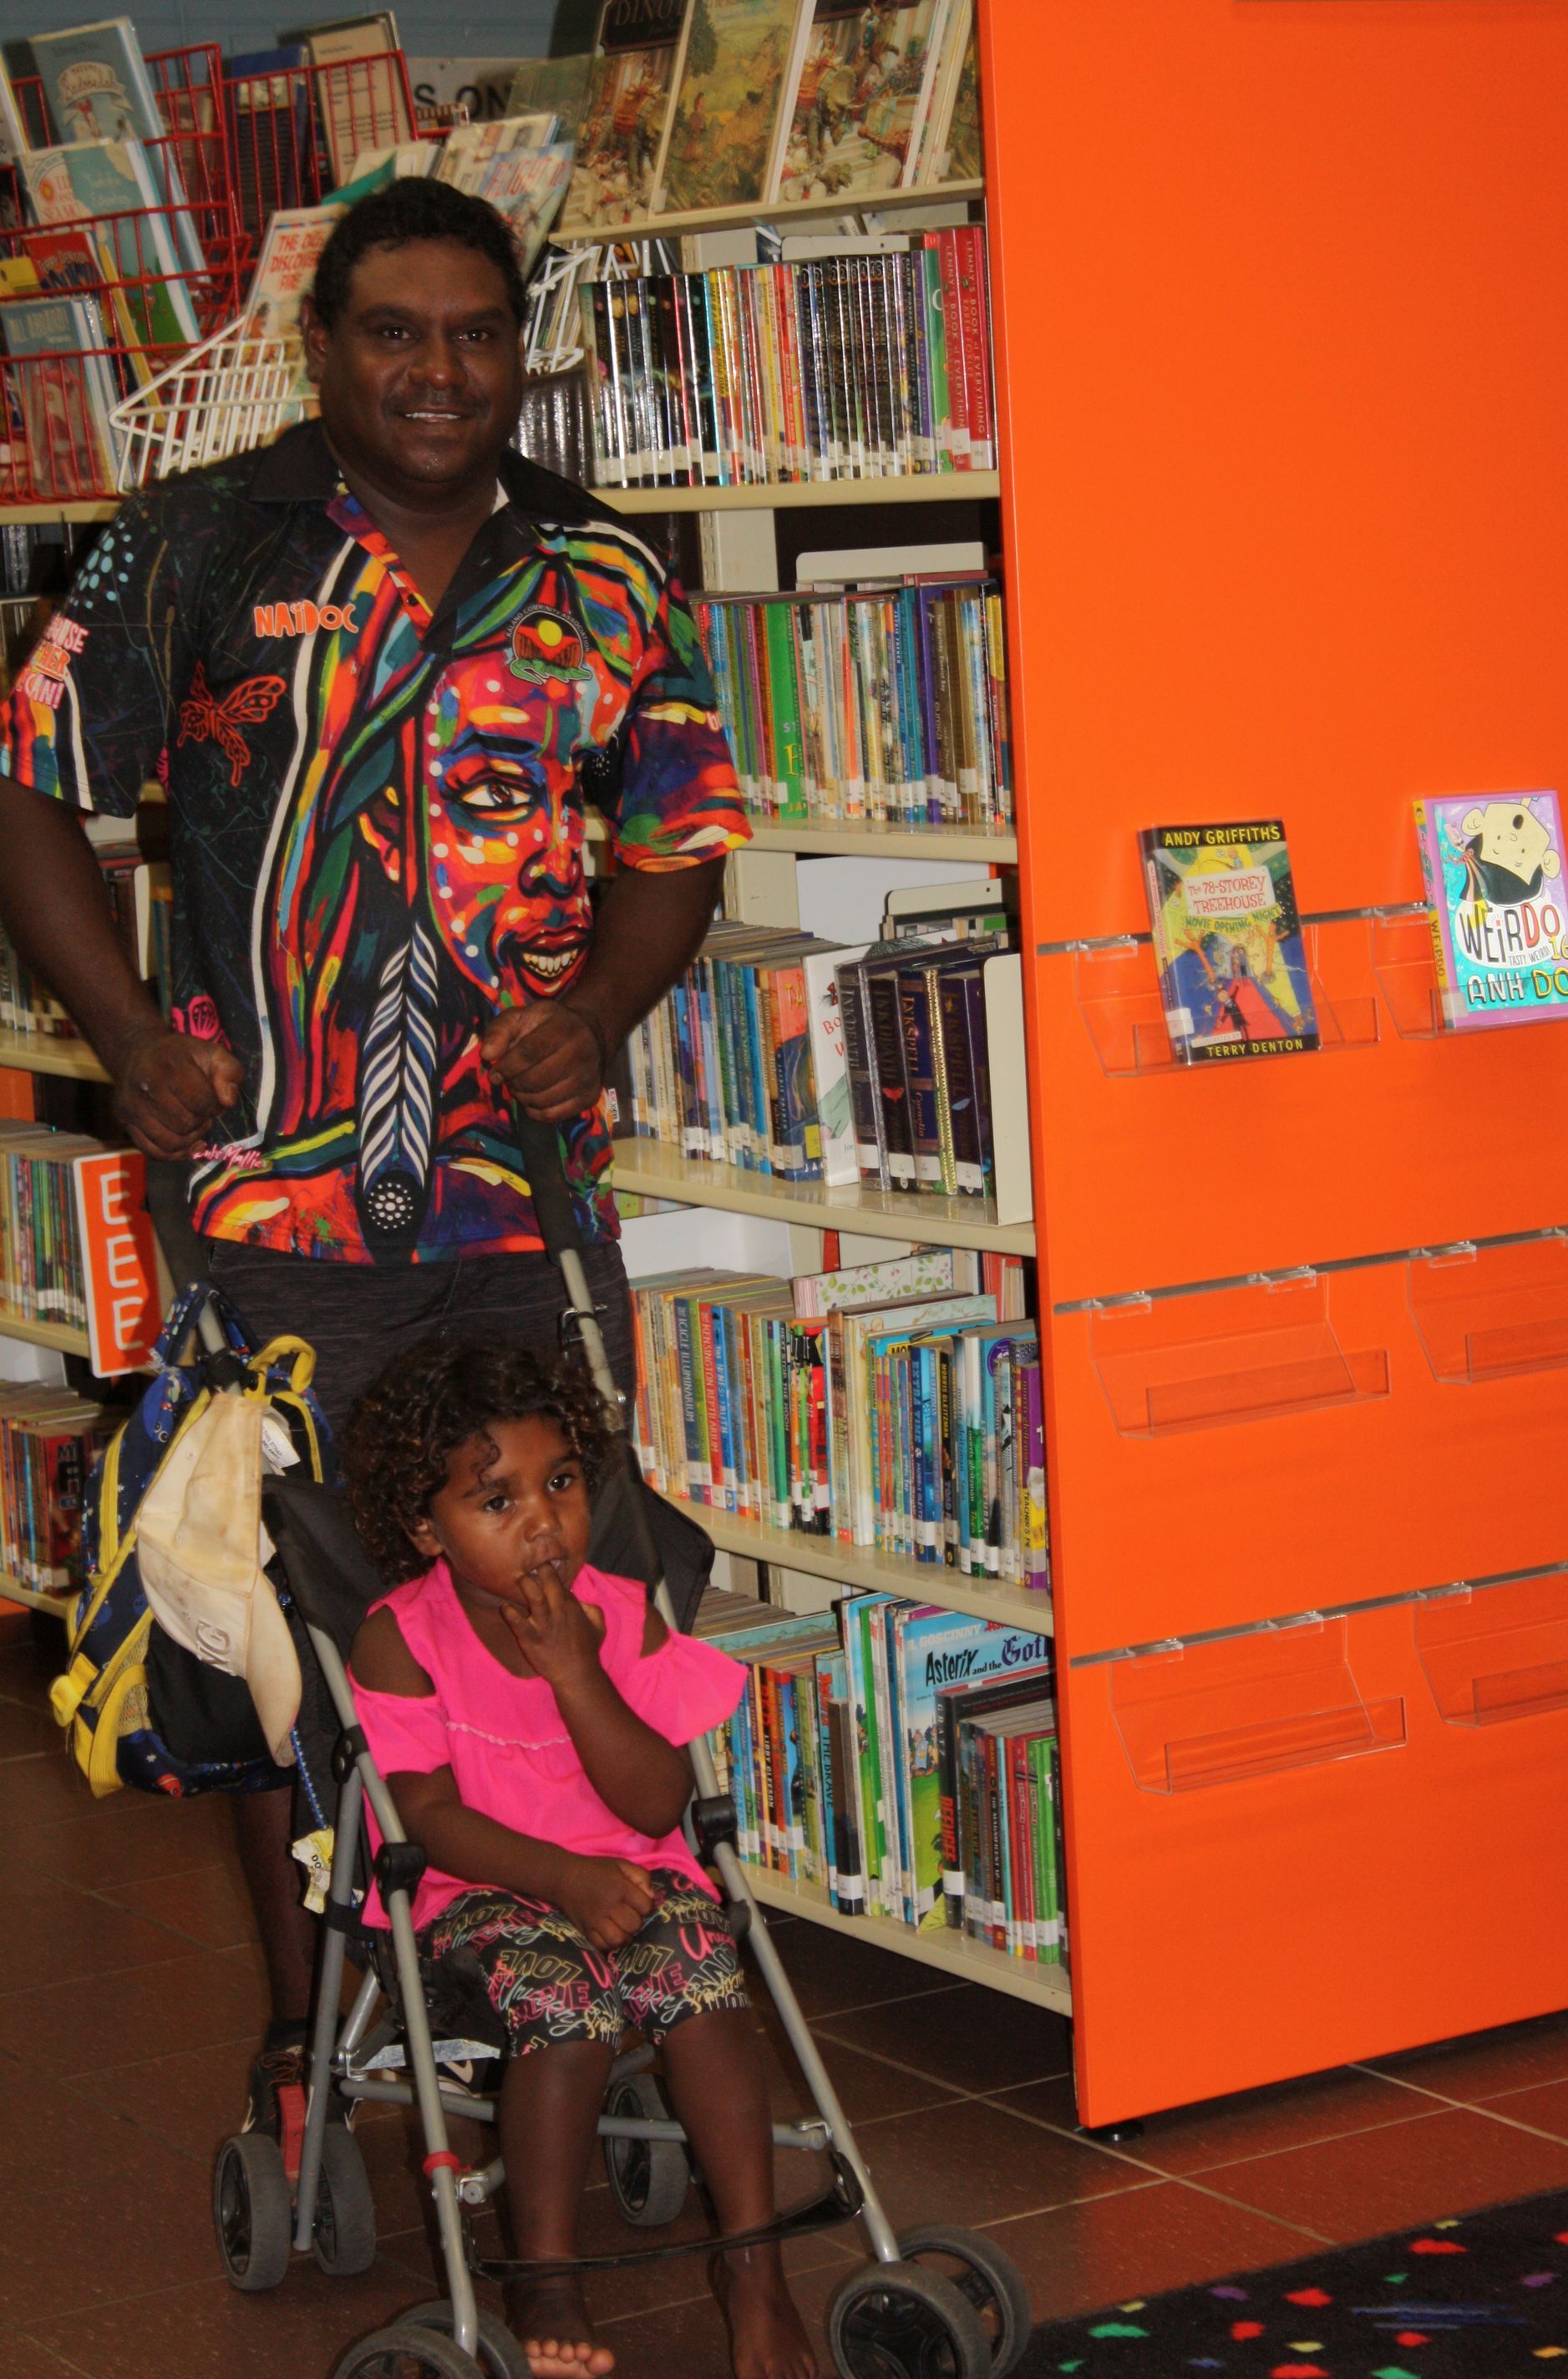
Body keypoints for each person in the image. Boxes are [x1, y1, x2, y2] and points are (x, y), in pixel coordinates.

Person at [0, 180, 748, 2127]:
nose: (437, 371)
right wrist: (128, 1035)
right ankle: (307, 2023)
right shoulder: (183, 545)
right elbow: (26, 794)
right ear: (325, 344)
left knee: (541, 1586)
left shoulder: (607, 571)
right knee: (302, 1618)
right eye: (394, 332)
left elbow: (677, 845)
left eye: (475, 333)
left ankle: (548, 1958)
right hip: (274, 1204)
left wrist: (603, 1002)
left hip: (517, 1198)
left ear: (521, 350)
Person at [342, 1338, 815, 2379]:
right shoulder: (400, 1639)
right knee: (565, 1997)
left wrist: (575, 1672)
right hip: (478, 1893)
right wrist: (559, 1877)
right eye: (495, 1500)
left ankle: (755, 2268)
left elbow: (657, 1799)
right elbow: (421, 1817)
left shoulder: (618, 1610)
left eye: (559, 1483)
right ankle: (547, 2276)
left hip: (632, 1869)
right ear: (428, 1528)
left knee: (704, 1973)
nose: (542, 1522)